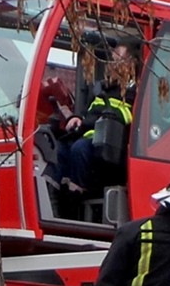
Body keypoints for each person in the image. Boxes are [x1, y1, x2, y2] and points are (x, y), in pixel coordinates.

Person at [56, 40, 137, 199]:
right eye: (111, 60)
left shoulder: (135, 92)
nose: (112, 65)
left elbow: (126, 115)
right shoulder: (101, 88)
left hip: (111, 143)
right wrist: (77, 118)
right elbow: (88, 113)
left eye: (117, 60)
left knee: (79, 149)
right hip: (90, 136)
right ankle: (59, 193)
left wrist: (103, 117)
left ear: (131, 64)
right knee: (59, 148)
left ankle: (76, 197)